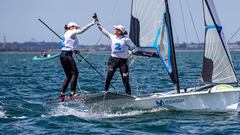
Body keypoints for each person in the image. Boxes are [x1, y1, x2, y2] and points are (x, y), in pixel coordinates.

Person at [94, 15, 137, 95]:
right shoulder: (112, 37)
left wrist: (131, 52)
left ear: (120, 31)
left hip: (123, 62)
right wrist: (97, 22)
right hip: (113, 60)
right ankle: (105, 92)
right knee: (109, 76)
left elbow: (134, 48)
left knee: (125, 78)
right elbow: (103, 30)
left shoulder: (126, 39)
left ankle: (128, 94)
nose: (114, 30)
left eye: (116, 29)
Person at [60, 20, 96, 98]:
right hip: (67, 55)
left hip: (62, 55)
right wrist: (92, 23)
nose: (76, 28)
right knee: (75, 73)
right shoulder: (71, 32)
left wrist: (75, 50)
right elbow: (81, 31)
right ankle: (72, 93)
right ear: (71, 27)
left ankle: (62, 94)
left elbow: (68, 45)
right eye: (75, 27)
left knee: (69, 76)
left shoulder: (66, 33)